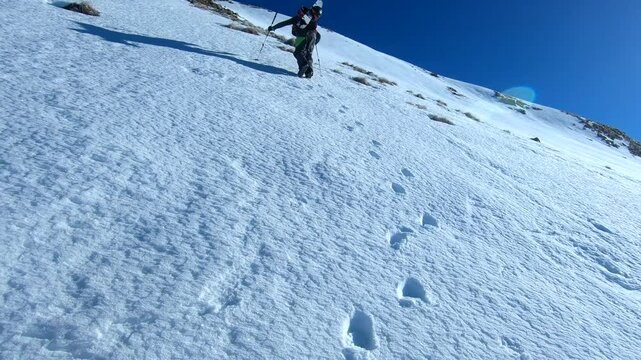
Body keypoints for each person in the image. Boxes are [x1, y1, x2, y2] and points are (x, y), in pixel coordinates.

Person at [268, 5, 322, 78]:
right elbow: (318, 36)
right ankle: (309, 71)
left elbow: (284, 23)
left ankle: (303, 65)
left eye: (299, 12)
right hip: (313, 36)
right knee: (308, 54)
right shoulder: (312, 21)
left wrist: (273, 27)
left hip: (300, 36)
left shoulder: (297, 18)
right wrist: (314, 42)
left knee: (298, 52)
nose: (298, 13)